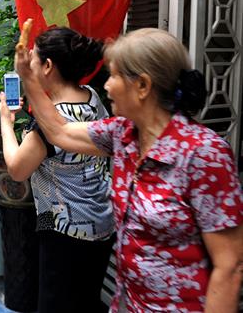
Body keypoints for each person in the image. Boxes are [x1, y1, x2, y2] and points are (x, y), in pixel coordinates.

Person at [15, 24, 243, 312]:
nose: (106, 85)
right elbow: (60, 133)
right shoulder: (122, 134)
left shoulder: (204, 154)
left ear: (143, 86)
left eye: (114, 75)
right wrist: (28, 78)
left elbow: (230, 266)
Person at [0, 27, 115, 313]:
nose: (31, 64)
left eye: (34, 59)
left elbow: (16, 169)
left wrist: (5, 121)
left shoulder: (47, 129)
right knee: (85, 299)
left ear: (48, 66)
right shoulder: (91, 97)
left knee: (54, 301)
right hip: (101, 222)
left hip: (64, 229)